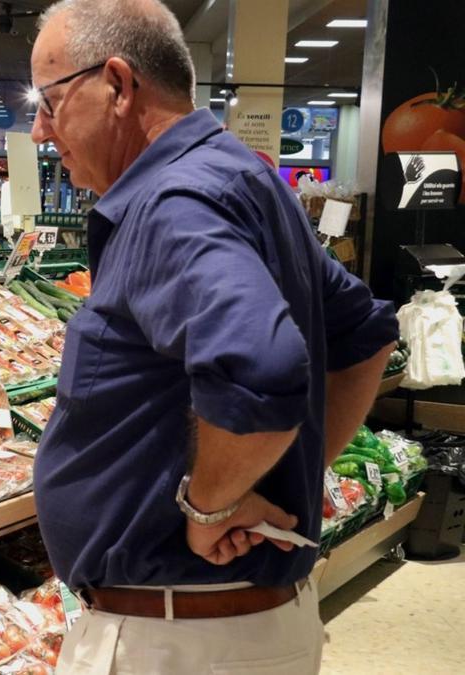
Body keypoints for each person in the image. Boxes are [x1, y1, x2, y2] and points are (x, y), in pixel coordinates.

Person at [28, 1, 397, 673]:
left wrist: (212, 501)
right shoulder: (243, 177)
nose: (37, 131)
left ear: (116, 83)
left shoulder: (173, 201)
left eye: (49, 103)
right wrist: (281, 475)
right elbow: (364, 336)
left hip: (177, 641)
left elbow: (260, 367)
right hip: (235, 625)